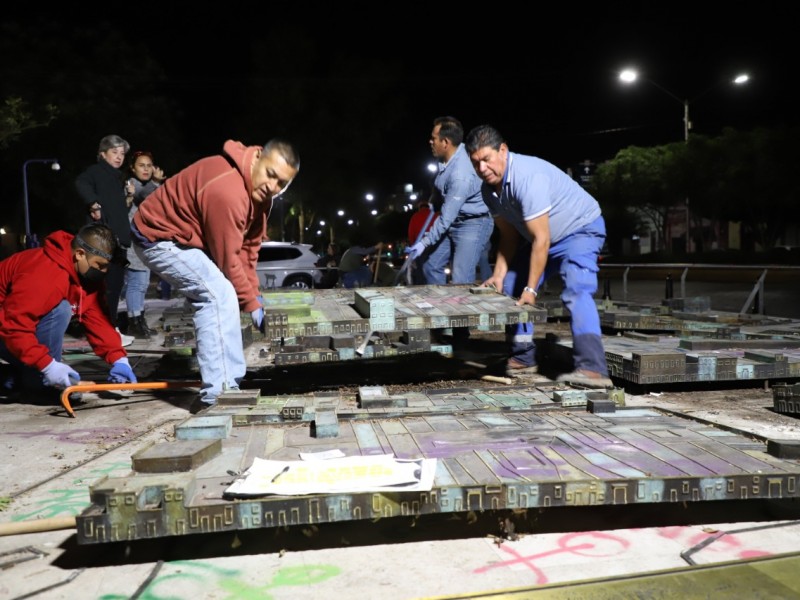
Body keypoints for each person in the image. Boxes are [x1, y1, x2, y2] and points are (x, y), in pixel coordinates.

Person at [131, 139, 300, 412]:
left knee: (225, 292)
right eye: (270, 174)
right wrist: (252, 306)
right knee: (217, 295)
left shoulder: (261, 199)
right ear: (258, 159)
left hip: (184, 238)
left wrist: (253, 294)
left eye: (281, 184)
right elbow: (228, 260)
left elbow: (249, 248)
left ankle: (230, 383)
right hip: (155, 237)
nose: (273, 187)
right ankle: (220, 394)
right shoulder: (229, 191)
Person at [465, 124, 612, 388]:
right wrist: (498, 275)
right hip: (545, 239)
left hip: (581, 230)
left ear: (503, 150)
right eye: (475, 163)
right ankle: (523, 358)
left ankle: (593, 369)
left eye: (486, 160)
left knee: (577, 290)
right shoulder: (489, 191)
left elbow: (541, 240)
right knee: (508, 286)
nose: (482, 169)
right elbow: (509, 236)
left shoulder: (527, 178)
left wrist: (531, 289)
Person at [0, 224, 138, 400]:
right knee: (61, 309)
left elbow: (98, 319)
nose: (104, 272)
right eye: (100, 265)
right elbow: (14, 326)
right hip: (7, 325)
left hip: (8, 326)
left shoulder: (86, 275)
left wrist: (119, 359)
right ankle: (40, 381)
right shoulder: (44, 274)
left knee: (24, 375)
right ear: (80, 254)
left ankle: (19, 376)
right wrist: (48, 366)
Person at [407, 117, 494, 288]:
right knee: (431, 265)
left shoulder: (461, 175)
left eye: (434, 138)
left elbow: (445, 219)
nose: (430, 141)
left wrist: (423, 243)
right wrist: (435, 198)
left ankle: (462, 312)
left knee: (461, 279)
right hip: (455, 219)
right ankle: (442, 304)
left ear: (445, 142)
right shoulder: (447, 157)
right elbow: (441, 185)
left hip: (473, 223)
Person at [75, 134, 135, 347]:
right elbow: (80, 183)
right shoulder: (96, 171)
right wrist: (93, 204)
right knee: (105, 287)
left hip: (118, 240)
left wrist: (128, 197)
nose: (119, 157)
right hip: (103, 241)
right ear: (103, 154)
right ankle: (105, 330)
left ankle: (111, 328)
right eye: (114, 153)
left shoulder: (117, 177)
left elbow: (118, 210)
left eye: (122, 154)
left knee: (115, 287)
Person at [124, 150, 166, 339]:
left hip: (143, 241)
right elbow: (143, 196)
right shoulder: (132, 185)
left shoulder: (144, 185)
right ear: (132, 168)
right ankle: (135, 322)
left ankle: (139, 321)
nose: (146, 169)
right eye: (142, 165)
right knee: (137, 283)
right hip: (132, 241)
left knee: (142, 283)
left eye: (149, 165)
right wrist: (156, 183)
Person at [406, 200, 438, 284]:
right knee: (435, 267)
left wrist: (413, 247)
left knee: (420, 271)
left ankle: (421, 289)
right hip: (433, 246)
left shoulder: (415, 216)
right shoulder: (434, 215)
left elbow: (411, 234)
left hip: (420, 247)